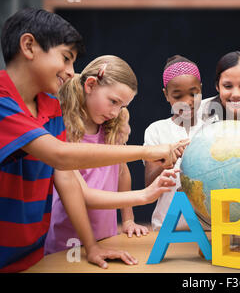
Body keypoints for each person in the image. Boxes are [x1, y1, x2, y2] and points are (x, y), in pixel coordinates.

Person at [0, 8, 185, 272]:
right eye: (65, 58)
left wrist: (92, 246)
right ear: (29, 46)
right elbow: (61, 155)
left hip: (34, 253)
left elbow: (65, 177)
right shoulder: (3, 101)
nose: (69, 71)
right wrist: (146, 153)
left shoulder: (50, 106)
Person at [44, 55, 179, 254]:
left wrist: (128, 219)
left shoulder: (113, 127)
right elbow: (82, 196)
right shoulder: (62, 130)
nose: (116, 112)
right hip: (67, 243)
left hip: (107, 237)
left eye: (122, 106)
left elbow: (122, 172)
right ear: (90, 85)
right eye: (113, 101)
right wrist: (143, 195)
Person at [144, 55, 203, 231]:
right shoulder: (156, 130)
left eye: (194, 94)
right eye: (178, 96)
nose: (187, 102)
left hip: (208, 228)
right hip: (167, 228)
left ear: (201, 89)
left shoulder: (213, 127)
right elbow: (149, 185)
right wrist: (166, 162)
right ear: (166, 95)